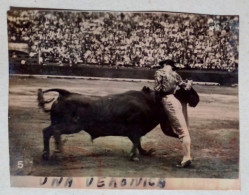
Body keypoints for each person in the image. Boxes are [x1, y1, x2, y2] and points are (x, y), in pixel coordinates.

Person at [154, 59, 192, 168]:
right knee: (183, 129)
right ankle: (187, 156)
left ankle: (186, 157)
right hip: (175, 101)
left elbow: (157, 89)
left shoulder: (159, 72)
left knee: (182, 131)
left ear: (165, 64)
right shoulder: (176, 74)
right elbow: (186, 87)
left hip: (167, 101)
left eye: (162, 65)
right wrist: (189, 82)